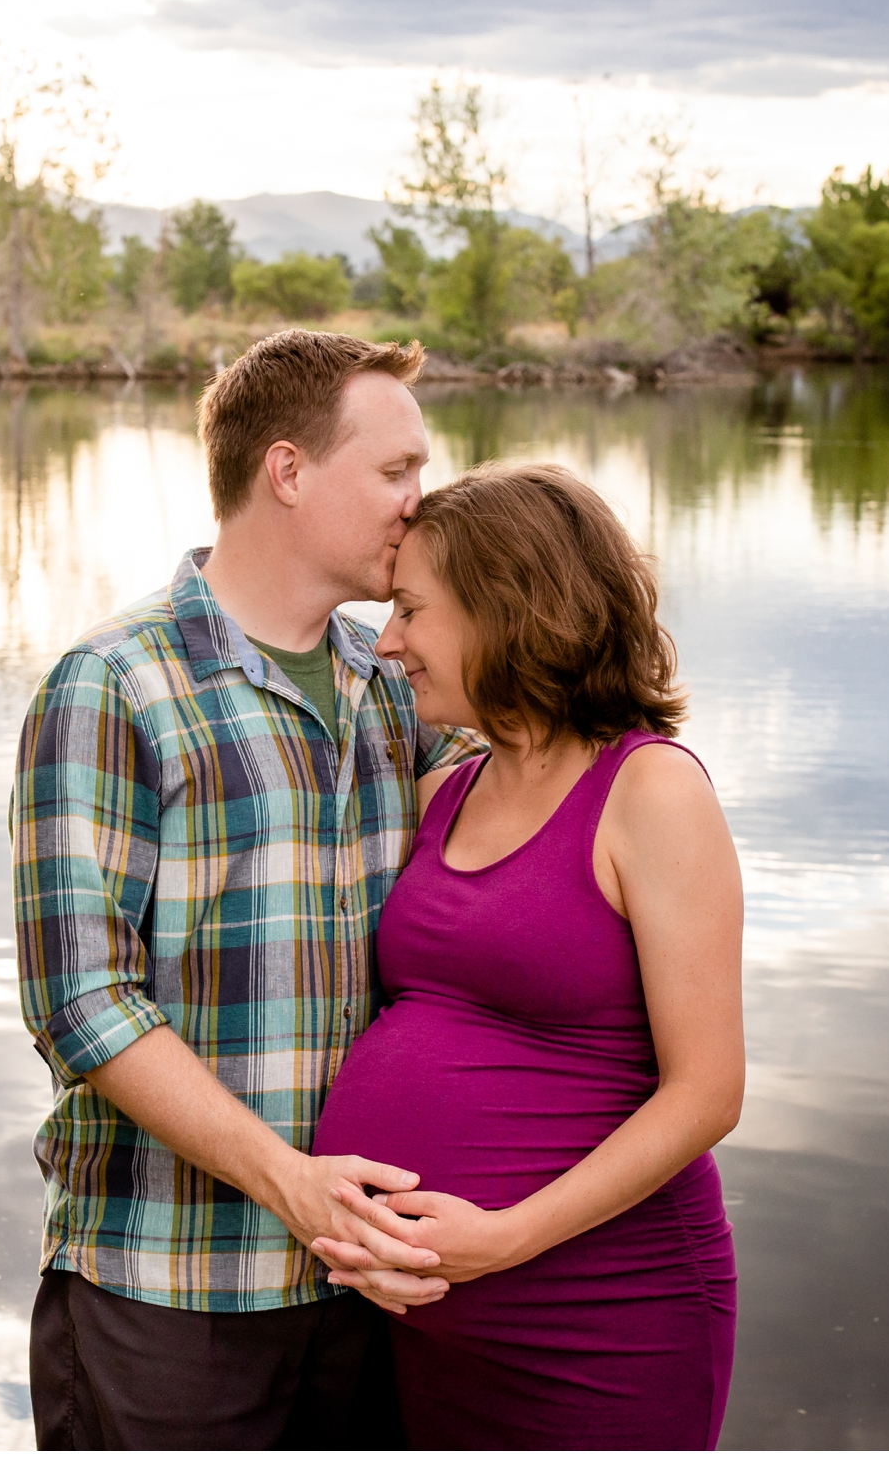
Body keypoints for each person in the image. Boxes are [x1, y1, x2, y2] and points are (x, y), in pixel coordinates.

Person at [9, 330, 480, 1448]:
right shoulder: (115, 683)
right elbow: (81, 1001)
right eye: (396, 470)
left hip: (362, 1286)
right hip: (168, 1293)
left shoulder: (397, 684)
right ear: (288, 471)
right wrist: (289, 1182)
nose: (420, 501)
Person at [308, 462, 746, 1449]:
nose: (390, 642)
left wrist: (502, 1237)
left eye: (414, 610)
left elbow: (708, 1090)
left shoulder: (650, 791)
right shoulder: (447, 793)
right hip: (434, 1327)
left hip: (602, 1316)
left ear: (506, 609)